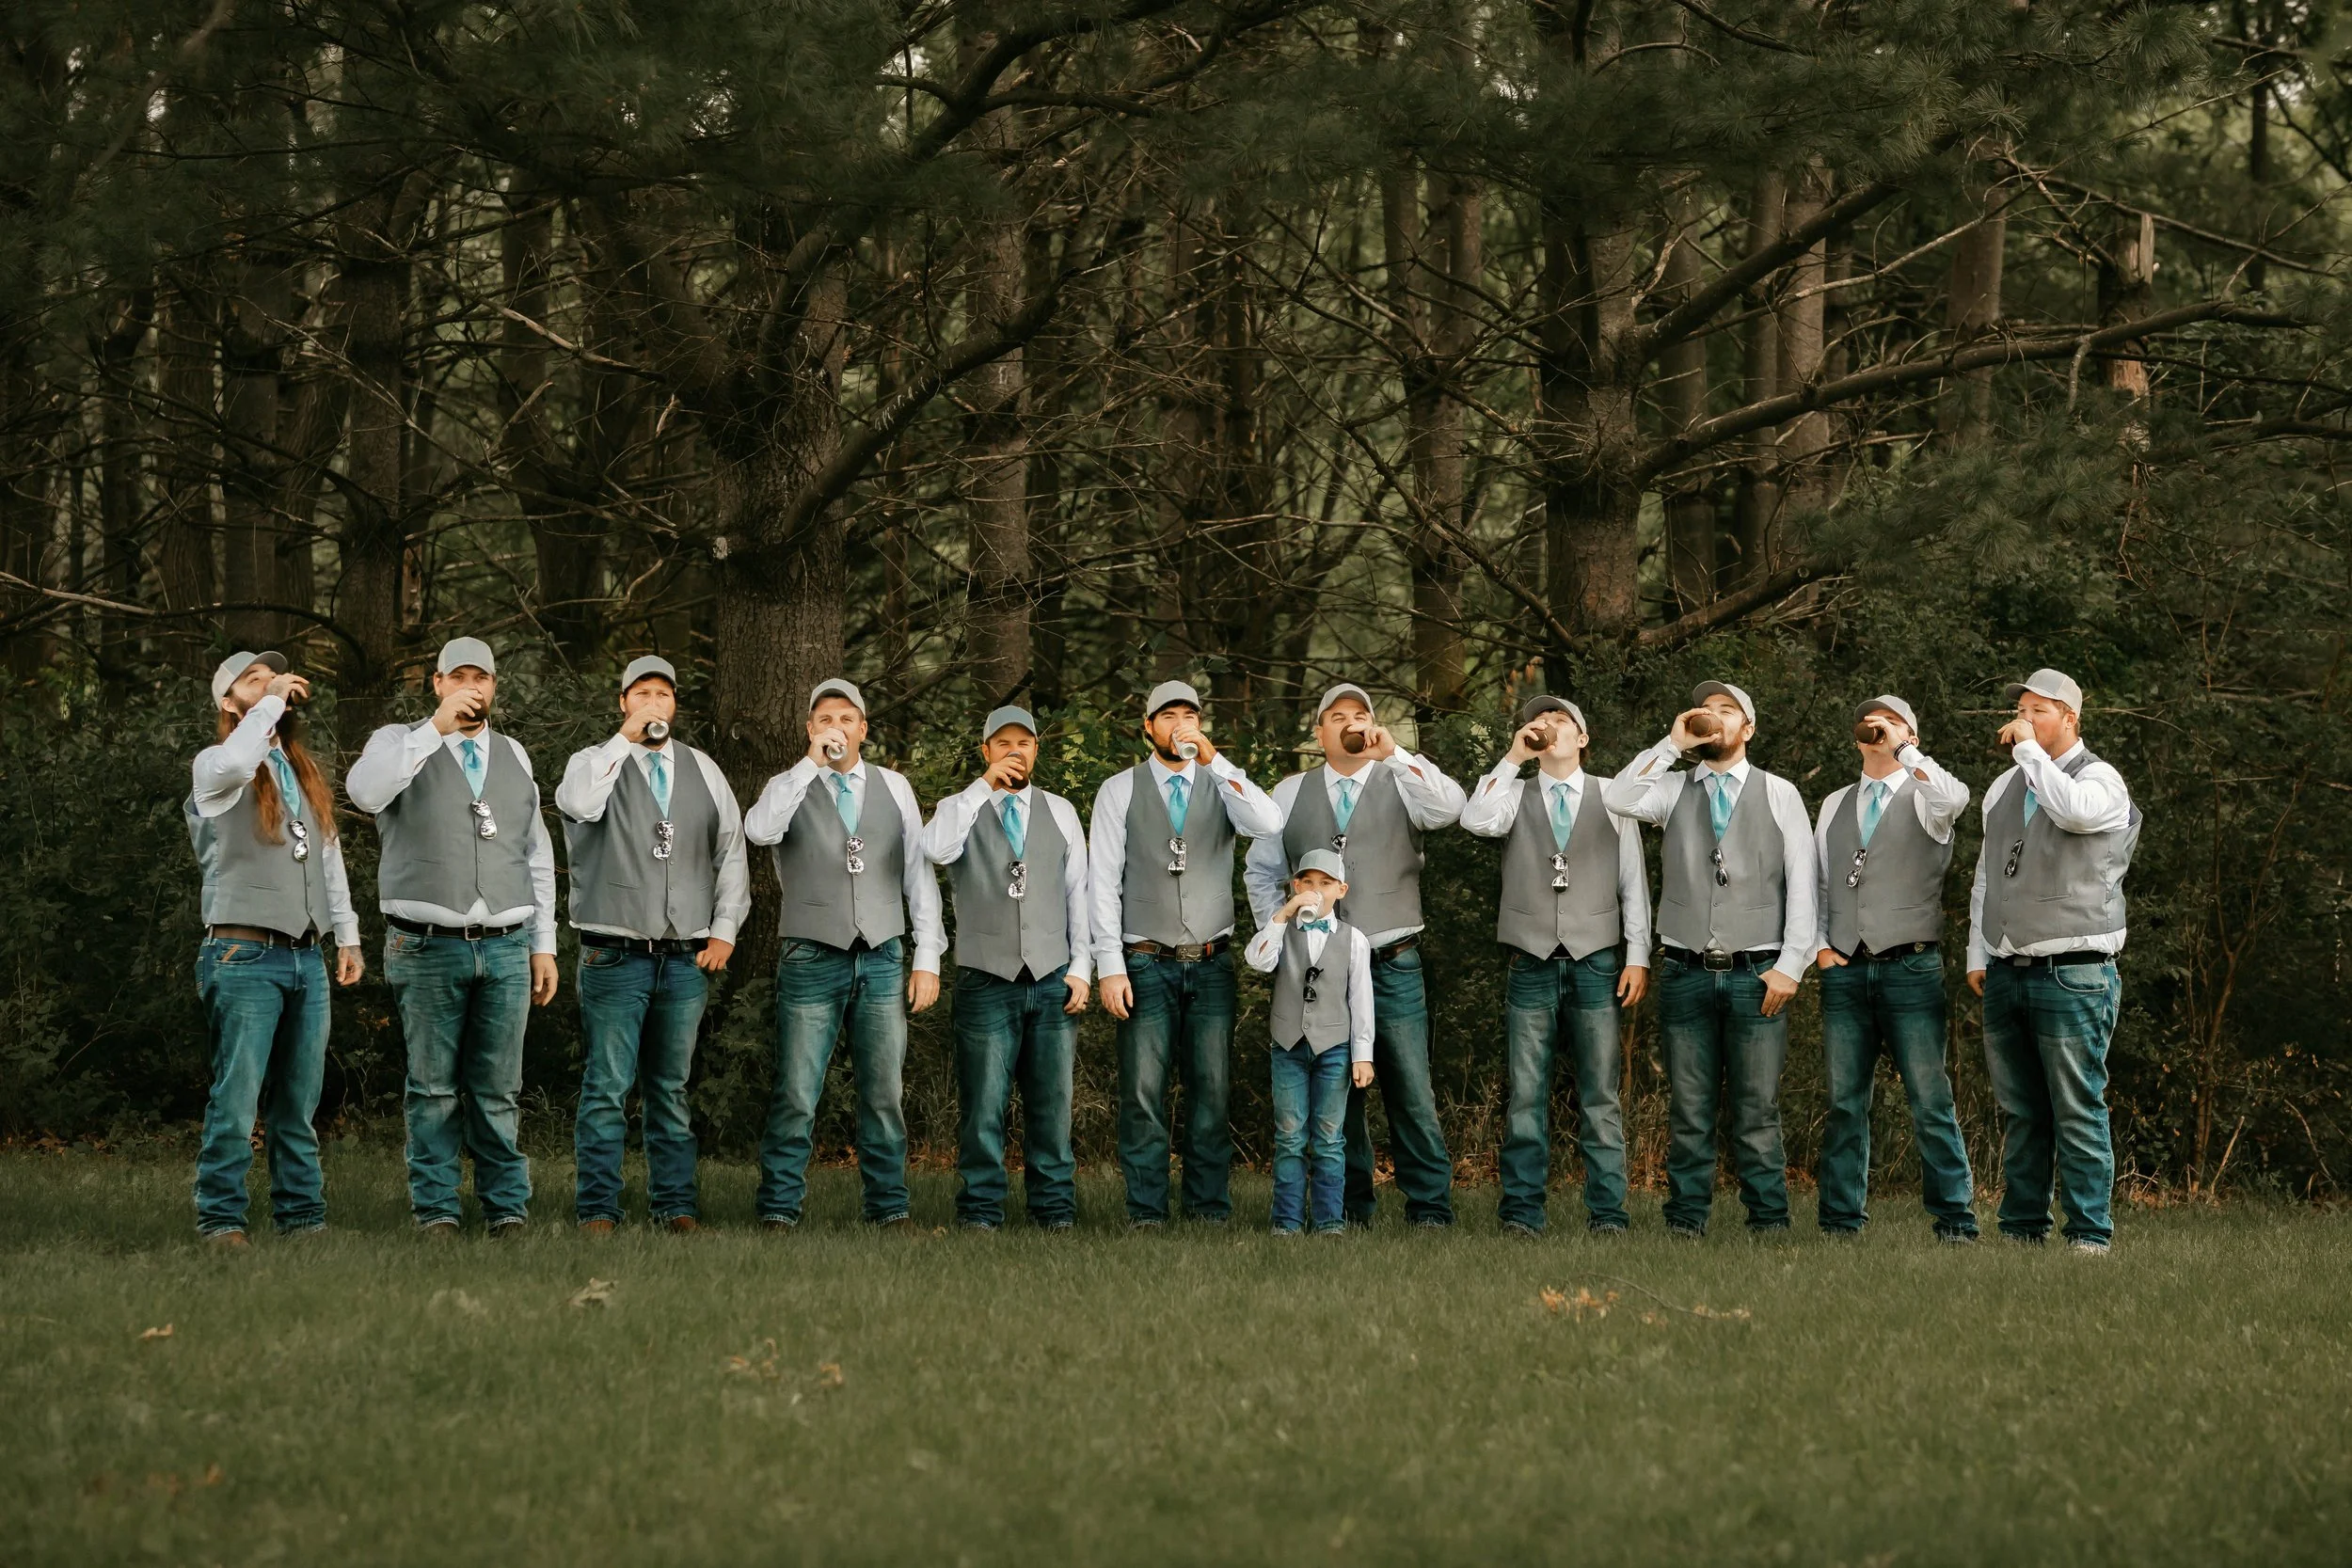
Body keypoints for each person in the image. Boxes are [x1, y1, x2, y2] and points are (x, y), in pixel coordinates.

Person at [347, 637, 560, 1236]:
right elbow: (365, 793)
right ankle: (437, 1209)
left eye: (482, 678)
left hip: (508, 943)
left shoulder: (514, 753)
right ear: (437, 683)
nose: (473, 687)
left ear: (495, 687)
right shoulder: (396, 741)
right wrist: (435, 730)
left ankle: (506, 1210)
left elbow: (534, 853)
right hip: (426, 943)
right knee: (433, 1088)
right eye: (459, 677)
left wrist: (544, 943)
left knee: (499, 1089)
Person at [1245, 683, 1465, 1229]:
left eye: (1360, 713)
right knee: (1336, 1095)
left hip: (1394, 960)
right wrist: (1283, 936)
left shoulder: (1401, 777)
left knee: (1410, 1086)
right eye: (1336, 716)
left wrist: (1394, 751)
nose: (1350, 722)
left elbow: (1451, 808)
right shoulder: (1290, 792)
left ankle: (1431, 1210)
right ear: (1318, 733)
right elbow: (1261, 872)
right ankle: (1349, 1206)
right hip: (1320, 969)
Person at [1605, 680, 1816, 1238]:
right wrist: (1672, 743)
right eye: (1706, 709)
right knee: (1690, 1109)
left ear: (1748, 728)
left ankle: (1769, 1221)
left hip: (1757, 972)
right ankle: (1684, 1222)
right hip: (1684, 971)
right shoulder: (1672, 788)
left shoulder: (1779, 793)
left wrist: (1792, 965)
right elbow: (1618, 798)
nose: (1713, 717)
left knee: (1756, 1111)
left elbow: (1804, 883)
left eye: (1727, 711)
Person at [555, 656, 749, 1236]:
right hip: (614, 950)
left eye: (662, 694)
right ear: (623, 703)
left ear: (674, 704)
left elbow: (731, 852)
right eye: (641, 694)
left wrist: (724, 929)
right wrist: (624, 741)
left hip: (685, 956)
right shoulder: (591, 762)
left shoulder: (705, 769)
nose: (653, 703)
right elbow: (579, 805)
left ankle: (675, 1207)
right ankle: (597, 1211)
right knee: (607, 1086)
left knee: (670, 1088)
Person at [744, 678, 945, 1229]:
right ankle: (780, 1208)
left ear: (863, 728)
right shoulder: (787, 785)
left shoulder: (895, 787)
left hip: (881, 955)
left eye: (846, 719)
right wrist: (809, 766)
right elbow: (758, 832)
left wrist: (927, 956)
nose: (836, 727)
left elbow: (916, 876)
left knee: (884, 1094)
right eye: (824, 719)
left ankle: (889, 1208)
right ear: (810, 728)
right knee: (797, 1090)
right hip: (811, 955)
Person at [184, 651, 365, 1246]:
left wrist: (348, 936)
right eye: (253, 682)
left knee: (299, 1100)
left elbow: (329, 856)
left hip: (306, 956)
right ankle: (221, 1220)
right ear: (228, 703)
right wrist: (270, 700)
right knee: (236, 1099)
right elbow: (241, 756)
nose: (270, 688)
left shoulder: (302, 768)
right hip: (242, 955)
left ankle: (302, 1219)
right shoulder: (217, 764)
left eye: (274, 678)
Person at [1089, 679, 1282, 1228]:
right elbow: (1102, 883)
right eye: (1167, 716)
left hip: (1212, 960)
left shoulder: (1222, 785)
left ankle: (1208, 1210)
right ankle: (1146, 1210)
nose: (1180, 725)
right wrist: (1110, 966)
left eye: (1189, 716)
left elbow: (1269, 824)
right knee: (1144, 1094)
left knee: (1212, 1092)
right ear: (1148, 727)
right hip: (1144, 960)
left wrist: (1218, 761)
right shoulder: (1118, 790)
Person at [1460, 696, 1651, 1237]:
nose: (1550, 727)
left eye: (1562, 721)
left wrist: (1637, 955)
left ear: (1583, 738)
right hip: (1531, 961)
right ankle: (1522, 1214)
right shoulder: (1512, 793)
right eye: (1541, 721)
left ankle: (1608, 1215)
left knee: (1600, 1096)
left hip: (1597, 962)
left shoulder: (1614, 795)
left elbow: (1632, 882)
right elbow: (1475, 822)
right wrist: (1512, 758)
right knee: (1525, 1095)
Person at [1967, 668, 2140, 1255]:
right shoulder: (2001, 788)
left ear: (2070, 717)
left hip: (2075, 972)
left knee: (2076, 1107)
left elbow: (2070, 813)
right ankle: (2022, 1232)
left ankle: (2090, 1235)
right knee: (2020, 1112)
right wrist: (1979, 951)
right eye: (2022, 710)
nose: (2024, 719)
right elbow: (1987, 875)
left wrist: (2029, 753)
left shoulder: (2102, 780)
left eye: (2039, 711)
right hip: (2007, 969)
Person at [1813, 695, 1978, 1243]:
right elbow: (1817, 883)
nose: (1875, 726)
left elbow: (1955, 797)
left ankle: (1954, 1221)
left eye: (1892, 720)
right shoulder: (1834, 803)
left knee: (1930, 1099)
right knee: (1843, 1102)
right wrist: (1820, 947)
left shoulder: (1928, 797)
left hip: (1911, 968)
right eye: (1869, 719)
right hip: (1845, 969)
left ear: (1912, 732)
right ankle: (1840, 1222)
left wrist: (1906, 750)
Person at [922, 705, 1091, 1231]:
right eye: (1003, 744)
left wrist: (1082, 966)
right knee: (983, 1108)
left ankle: (1055, 1210)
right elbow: (934, 849)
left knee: (1052, 1106)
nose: (1014, 752)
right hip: (985, 979)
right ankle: (980, 1211)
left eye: (1024, 743)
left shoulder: (1061, 811)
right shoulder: (959, 807)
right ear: (986, 751)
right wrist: (980, 789)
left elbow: (1078, 894)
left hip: (1050, 977)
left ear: (1036, 750)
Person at [1245, 850, 1375, 1236]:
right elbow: (1258, 961)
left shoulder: (1354, 940)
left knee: (1330, 1137)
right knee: (1289, 1135)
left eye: (1326, 883)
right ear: (1296, 886)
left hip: (1334, 1047)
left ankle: (1330, 1221)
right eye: (1308, 883)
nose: (1316, 890)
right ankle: (1286, 1221)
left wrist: (1362, 1054)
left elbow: (1361, 999)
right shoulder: (1282, 930)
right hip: (1288, 1045)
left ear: (1341, 890)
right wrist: (1282, 915)